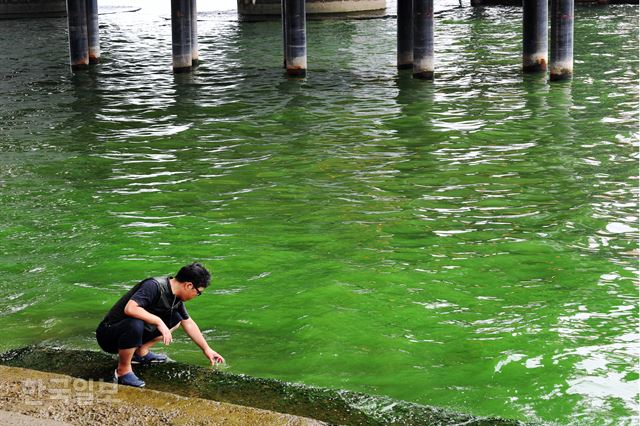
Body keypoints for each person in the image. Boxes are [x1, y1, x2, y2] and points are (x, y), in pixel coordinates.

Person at [96, 262, 225, 387]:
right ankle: (123, 370)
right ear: (189, 285)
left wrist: (206, 349)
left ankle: (140, 353)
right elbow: (130, 309)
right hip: (108, 335)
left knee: (176, 318)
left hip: (127, 336)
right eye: (198, 292)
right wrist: (158, 322)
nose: (197, 295)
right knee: (135, 323)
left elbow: (188, 322)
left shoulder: (176, 298)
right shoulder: (154, 286)